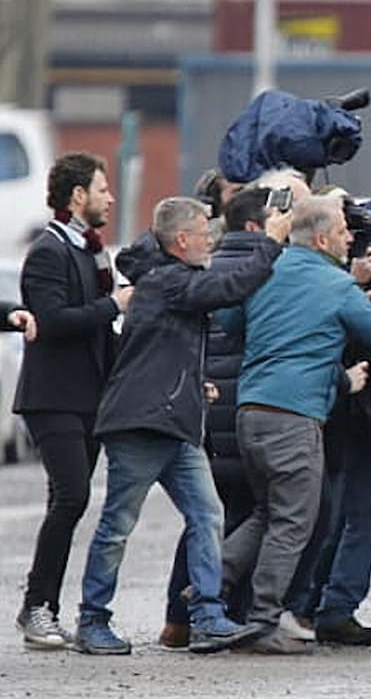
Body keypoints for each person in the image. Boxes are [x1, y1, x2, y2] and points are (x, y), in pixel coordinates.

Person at [217, 194, 371, 654]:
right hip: (294, 417)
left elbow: (230, 320)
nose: (350, 237)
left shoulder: (270, 269)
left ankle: (207, 584)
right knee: (292, 524)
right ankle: (262, 620)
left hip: (251, 410)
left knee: (269, 513)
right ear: (321, 239)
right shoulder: (337, 284)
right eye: (342, 231)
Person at [75, 196, 291, 655]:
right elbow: (230, 287)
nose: (210, 240)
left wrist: (194, 385)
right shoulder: (168, 280)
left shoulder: (167, 277)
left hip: (175, 421)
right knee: (118, 523)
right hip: (142, 423)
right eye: (202, 233)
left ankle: (208, 615)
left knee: (207, 516)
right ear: (180, 241)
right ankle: (92, 618)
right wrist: (270, 243)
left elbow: (163, 348)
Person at [13, 152, 132, 649]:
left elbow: (101, 332)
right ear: (78, 195)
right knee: (73, 496)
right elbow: (53, 321)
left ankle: (45, 607)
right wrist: (112, 305)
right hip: (52, 397)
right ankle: (36, 608)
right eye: (102, 190)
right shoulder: (49, 250)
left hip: (89, 398)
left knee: (66, 501)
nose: (110, 198)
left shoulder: (92, 251)